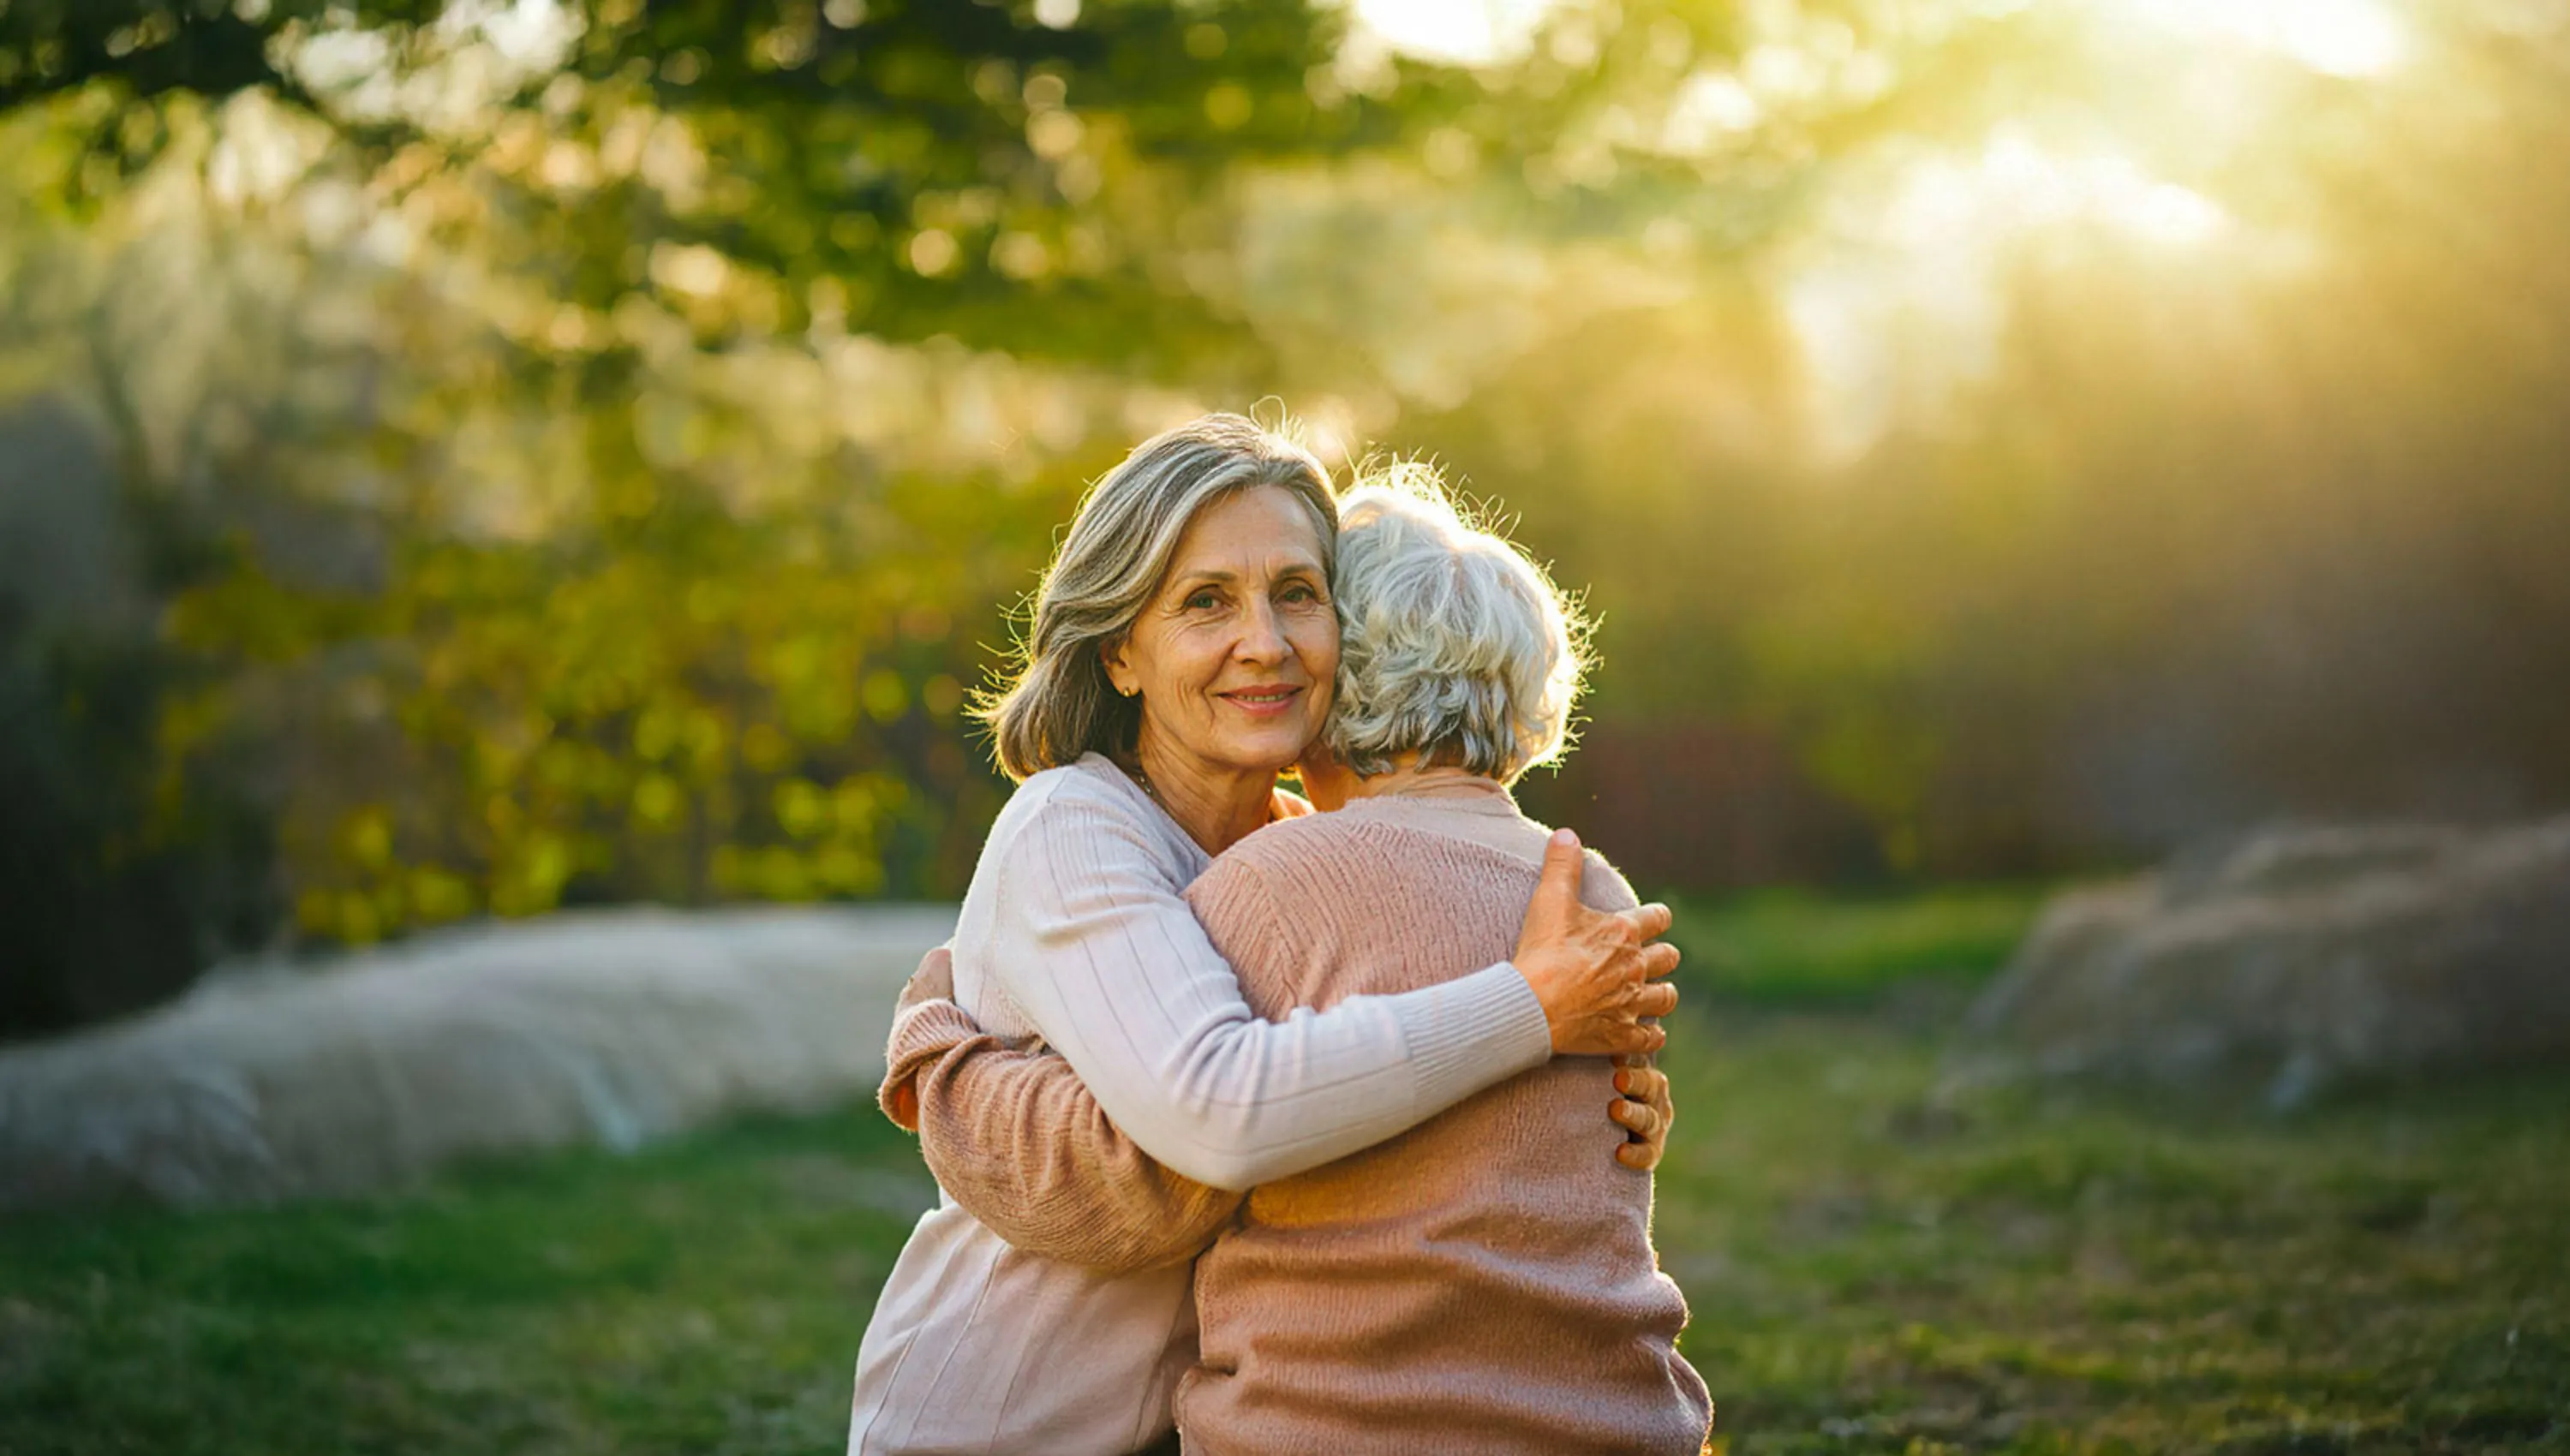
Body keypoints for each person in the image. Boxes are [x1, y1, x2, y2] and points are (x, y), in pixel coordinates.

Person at [846, 415, 1682, 1456]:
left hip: (1192, 1420)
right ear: (1120, 653)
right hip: (1008, 1421)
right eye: (1206, 602)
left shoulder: (1299, 855)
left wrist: (1597, 1095)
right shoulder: (1074, 821)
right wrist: (1532, 1010)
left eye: (1297, 591)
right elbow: (1219, 1116)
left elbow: (1377, 1110)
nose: (1267, 641)